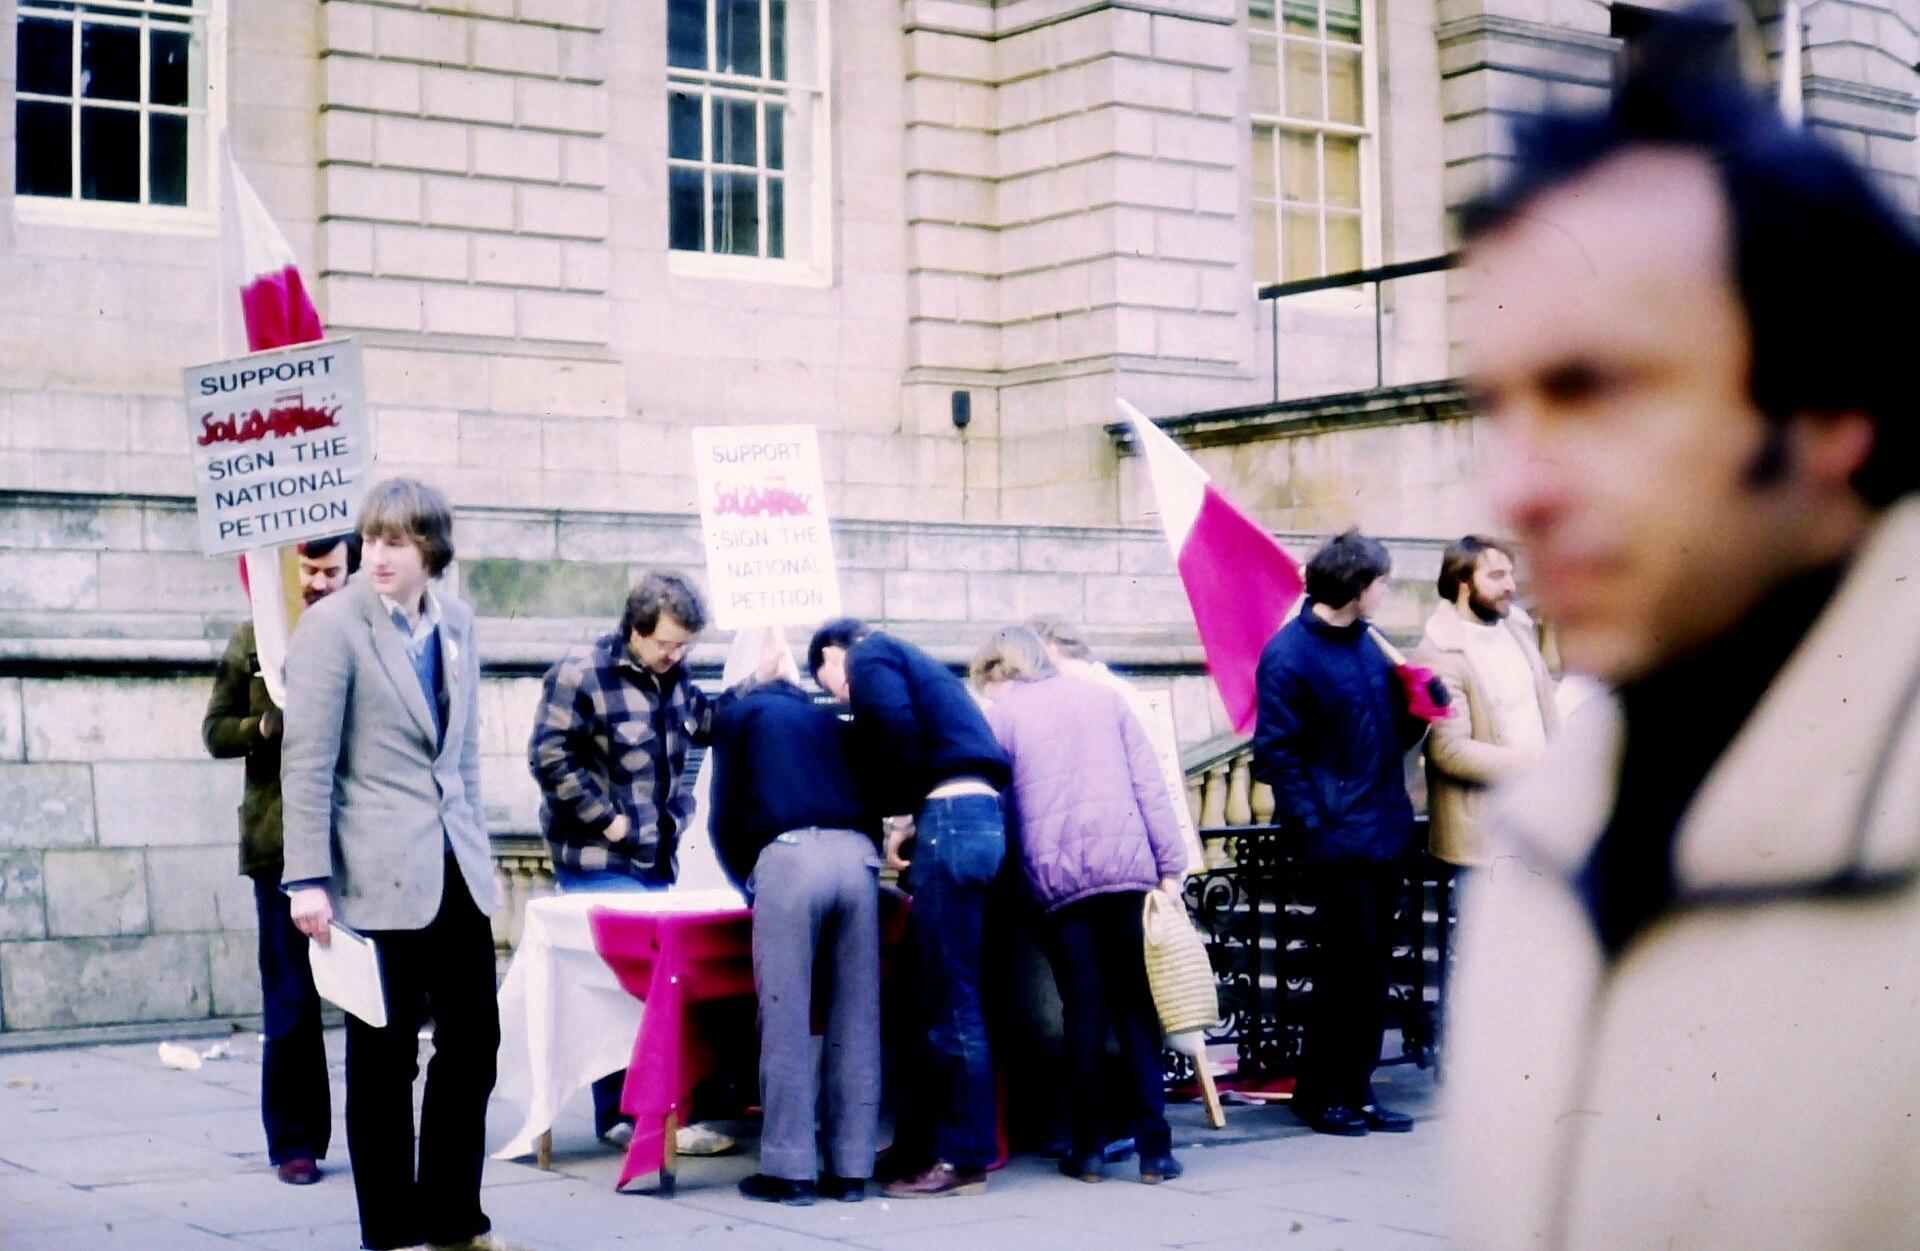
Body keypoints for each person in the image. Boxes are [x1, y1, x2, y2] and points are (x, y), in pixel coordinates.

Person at [1445, 26, 1920, 1248]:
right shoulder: (1548, 835)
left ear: (1827, 410)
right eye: (1498, 405)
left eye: (1594, 389)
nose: (1519, 488)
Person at [282, 479, 526, 1251]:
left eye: (397, 542)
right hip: (372, 875)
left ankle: (454, 1218)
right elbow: (309, 761)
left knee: (474, 1045)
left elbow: (465, 757)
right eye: (372, 539)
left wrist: (480, 850)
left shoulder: (456, 623)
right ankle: (390, 1231)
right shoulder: (332, 625)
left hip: (455, 868)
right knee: (383, 1064)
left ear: (431, 551)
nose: (378, 555)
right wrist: (306, 877)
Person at [526, 571, 787, 1145]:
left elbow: (706, 721)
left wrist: (756, 683)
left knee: (643, 986)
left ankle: (632, 1113)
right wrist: (609, 819)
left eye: (684, 646)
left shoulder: (674, 675)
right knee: (632, 983)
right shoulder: (581, 671)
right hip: (596, 853)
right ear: (635, 629)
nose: (674, 656)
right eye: (666, 644)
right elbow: (548, 756)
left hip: (655, 853)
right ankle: (632, 1116)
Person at [974, 626, 1190, 1185]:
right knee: (1138, 1011)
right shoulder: (1105, 700)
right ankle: (1156, 1153)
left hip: (1061, 888)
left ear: (1001, 670)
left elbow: (1003, 813)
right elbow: (1150, 789)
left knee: (1084, 1014)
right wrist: (1170, 867)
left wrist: (1015, 885)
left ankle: (1088, 1150)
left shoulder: (1002, 719)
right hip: (1127, 878)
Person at [808, 618, 1012, 1199]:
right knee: (948, 993)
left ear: (830, 654)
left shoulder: (869, 655)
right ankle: (937, 1145)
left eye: (829, 684)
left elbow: (892, 729)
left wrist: (894, 812)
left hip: (951, 821)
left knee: (952, 1001)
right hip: (969, 819)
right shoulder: (914, 660)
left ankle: (962, 1159)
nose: (838, 694)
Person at [1252, 530, 1426, 1137]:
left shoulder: (1370, 647)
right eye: (1382, 580)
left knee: (1373, 969)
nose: (1387, 590)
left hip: (1382, 827)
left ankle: (1357, 1088)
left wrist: (1417, 708)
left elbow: (1388, 740)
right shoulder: (1289, 653)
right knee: (1342, 970)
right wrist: (1312, 823)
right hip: (1335, 836)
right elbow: (1276, 751)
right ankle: (1320, 1093)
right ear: (1356, 586)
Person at [202, 533, 358, 1186]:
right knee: (291, 998)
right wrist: (263, 727)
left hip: (357, 839)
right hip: (279, 843)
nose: (319, 582)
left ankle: (381, 1130)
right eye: (309, 571)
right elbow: (215, 730)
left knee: (372, 996)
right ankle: (295, 1140)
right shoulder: (253, 639)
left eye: (331, 570)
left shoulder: (362, 634)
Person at [708, 678, 882, 1206]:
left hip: (788, 857)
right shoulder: (830, 721)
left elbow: (725, 817)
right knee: (857, 1017)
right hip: (858, 858)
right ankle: (852, 1169)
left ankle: (790, 1171)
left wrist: (748, 883)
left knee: (784, 1019)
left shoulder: (740, 718)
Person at [1410, 536, 1558, 868]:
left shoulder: (1517, 628)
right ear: (1462, 582)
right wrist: (1539, 766)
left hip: (1536, 824)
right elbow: (1449, 751)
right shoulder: (1438, 653)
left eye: (1510, 574)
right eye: (1495, 576)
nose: (1509, 586)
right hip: (1484, 839)